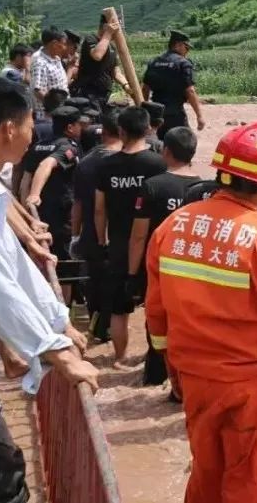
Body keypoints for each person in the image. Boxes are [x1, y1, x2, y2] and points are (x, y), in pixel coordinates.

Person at [145, 122, 257, 503]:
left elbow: (156, 314)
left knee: (206, 476)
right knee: (252, 485)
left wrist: (172, 368)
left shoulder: (172, 227)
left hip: (194, 378)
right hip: (251, 388)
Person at [0, 77, 98, 503]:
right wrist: (54, 351)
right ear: (8, 128)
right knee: (2, 485)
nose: (33, 134)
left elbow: (12, 264)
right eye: (30, 123)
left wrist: (57, 319)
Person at [128, 126, 201, 389]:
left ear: (165, 151)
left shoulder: (153, 186)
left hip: (159, 269)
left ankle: (156, 378)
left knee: (157, 323)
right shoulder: (205, 188)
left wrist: (132, 273)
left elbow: (138, 236)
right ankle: (187, 380)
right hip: (195, 270)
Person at [94, 107, 167, 365]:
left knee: (118, 306)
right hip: (152, 244)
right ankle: (153, 359)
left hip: (119, 243)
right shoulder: (158, 164)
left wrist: (102, 240)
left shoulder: (106, 166)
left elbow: (100, 208)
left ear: (121, 131)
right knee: (155, 305)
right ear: (148, 129)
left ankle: (120, 356)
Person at [72, 107, 123, 342]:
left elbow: (79, 205)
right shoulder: (129, 160)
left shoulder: (85, 163)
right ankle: (115, 326)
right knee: (118, 283)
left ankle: (99, 328)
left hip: (92, 233)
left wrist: (75, 235)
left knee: (94, 281)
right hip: (122, 234)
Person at [22, 106, 86, 261]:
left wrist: (27, 208)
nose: (82, 128)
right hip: (62, 214)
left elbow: (25, 179)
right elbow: (46, 164)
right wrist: (35, 194)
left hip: (39, 213)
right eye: (79, 124)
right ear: (70, 127)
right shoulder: (68, 147)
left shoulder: (38, 145)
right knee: (64, 261)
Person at [142, 30, 205, 139]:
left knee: (159, 143)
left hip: (156, 113)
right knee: (183, 143)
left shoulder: (154, 62)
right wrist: (199, 116)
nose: (187, 51)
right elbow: (190, 91)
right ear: (178, 45)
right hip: (175, 113)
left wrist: (144, 110)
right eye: (187, 47)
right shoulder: (183, 63)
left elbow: (145, 88)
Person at [74, 10, 125, 110]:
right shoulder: (91, 39)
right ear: (106, 27)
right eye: (117, 29)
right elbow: (97, 55)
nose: (119, 33)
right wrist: (108, 33)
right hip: (89, 94)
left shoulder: (112, 47)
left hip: (103, 95)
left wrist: (126, 85)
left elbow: (116, 72)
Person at [30, 28, 70, 120]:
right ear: (55, 44)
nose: (65, 48)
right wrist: (54, 109)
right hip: (48, 116)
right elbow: (37, 91)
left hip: (61, 110)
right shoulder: (39, 62)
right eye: (63, 44)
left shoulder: (55, 57)